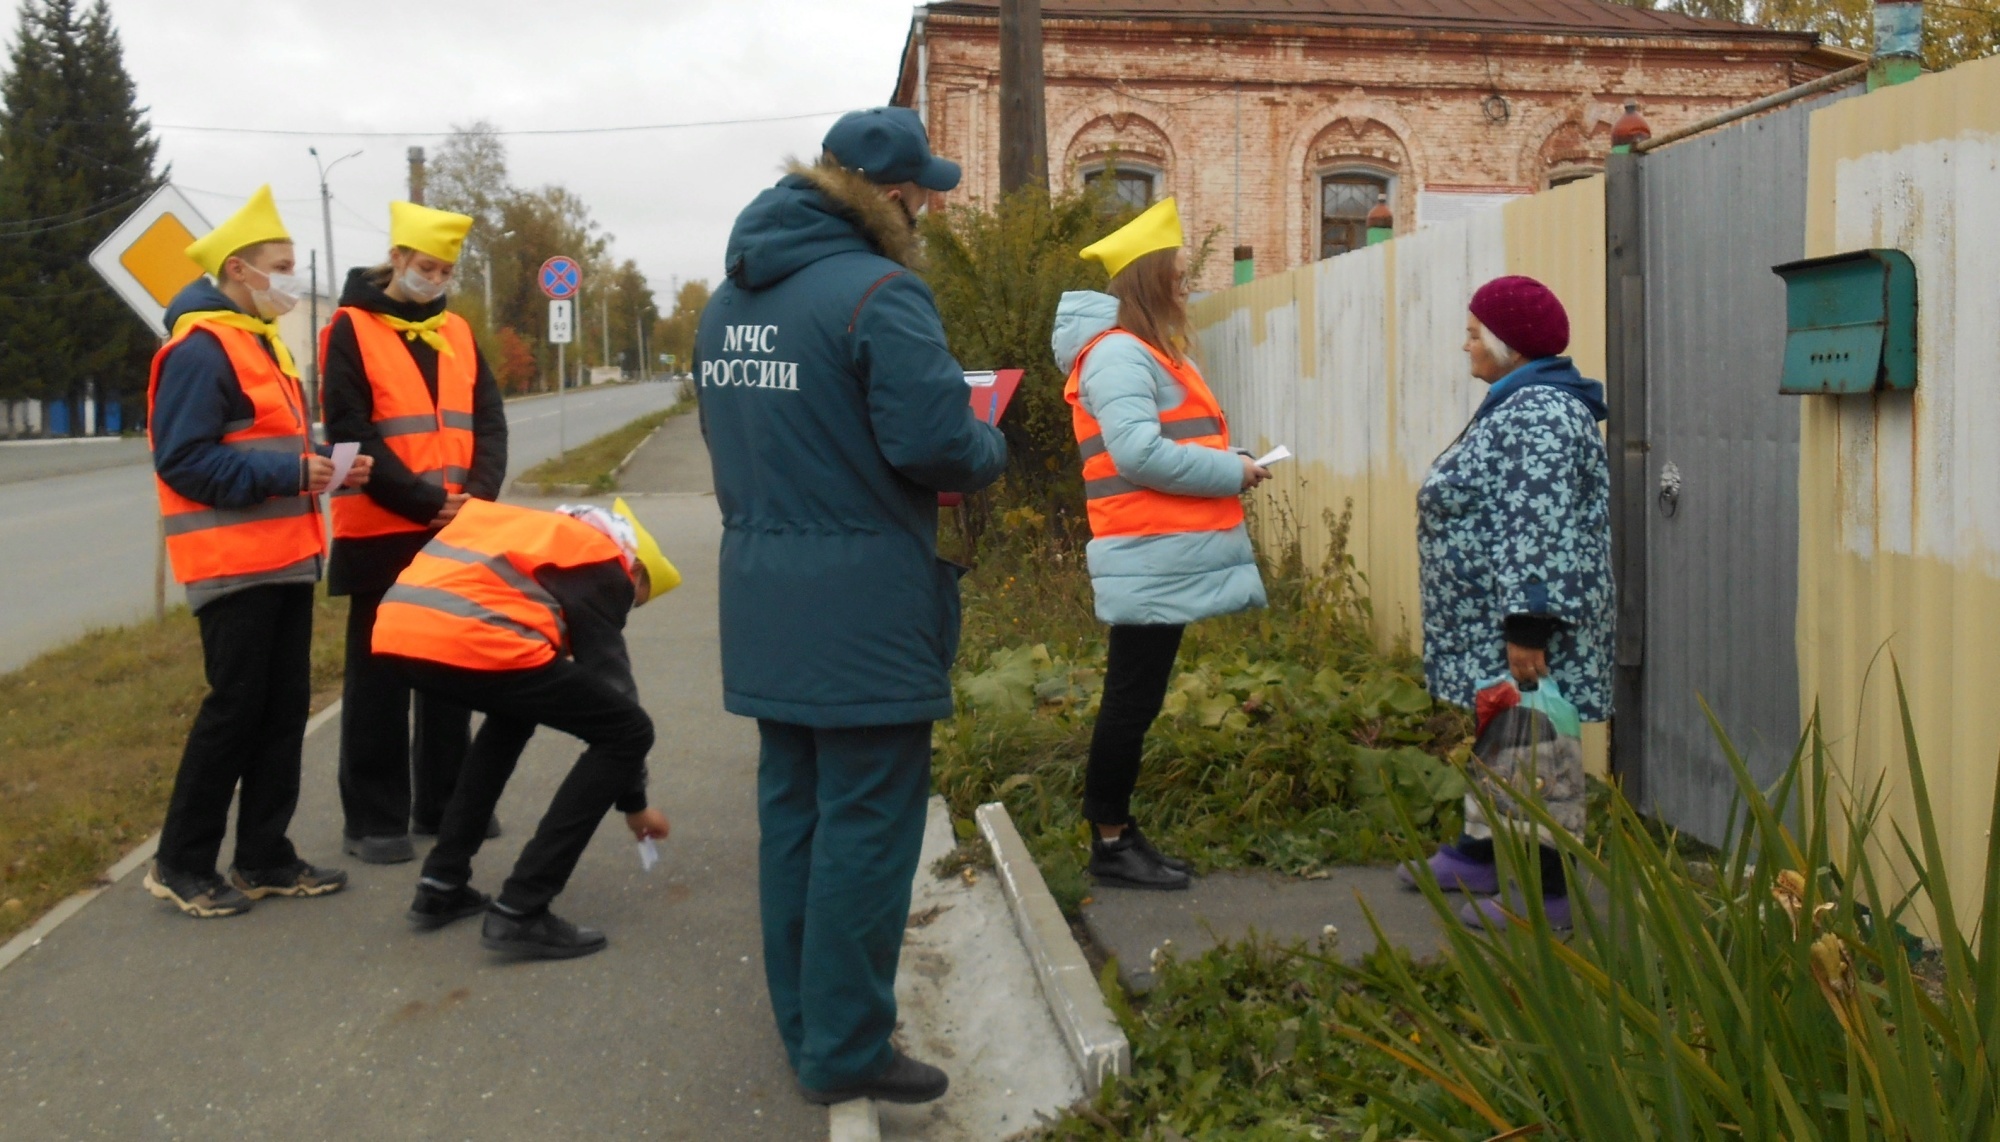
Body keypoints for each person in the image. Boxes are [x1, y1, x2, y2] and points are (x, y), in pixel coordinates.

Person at [696, 106, 1006, 1107]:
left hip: (762, 592)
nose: (927, 206)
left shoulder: (724, 303)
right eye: (921, 190)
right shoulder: (881, 292)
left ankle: (805, 1024)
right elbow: (936, 445)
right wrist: (988, 440)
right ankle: (846, 1046)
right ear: (887, 192)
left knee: (792, 814)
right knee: (869, 828)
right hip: (865, 603)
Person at [143, 186, 371, 918]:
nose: (291, 278)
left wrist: (330, 464)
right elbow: (182, 460)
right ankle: (180, 864)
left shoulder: (257, 343)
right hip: (230, 565)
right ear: (238, 269)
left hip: (286, 556)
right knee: (234, 712)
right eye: (280, 265)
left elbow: (268, 443)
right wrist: (287, 471)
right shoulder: (200, 350)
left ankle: (264, 857)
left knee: (282, 712)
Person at [1053, 196, 1270, 893]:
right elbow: (1139, 455)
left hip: (1160, 551)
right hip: (1148, 551)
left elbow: (1168, 443)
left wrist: (1229, 457)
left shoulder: (1139, 352)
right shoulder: (1118, 353)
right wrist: (1231, 470)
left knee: (1135, 699)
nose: (1183, 285)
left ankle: (1117, 832)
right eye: (1174, 274)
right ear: (1149, 281)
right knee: (1130, 701)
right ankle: (1110, 841)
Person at [370, 497, 679, 958]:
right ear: (634, 570)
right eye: (633, 601)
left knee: (512, 716)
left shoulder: (531, 531)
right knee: (628, 731)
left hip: (397, 630)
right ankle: (522, 909)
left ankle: (441, 883)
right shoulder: (601, 561)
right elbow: (614, 688)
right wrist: (635, 806)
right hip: (472, 637)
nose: (623, 611)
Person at [1406, 275, 1614, 930]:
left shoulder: (1541, 413)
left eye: (1473, 335)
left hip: (1532, 619)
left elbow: (1538, 521)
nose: (1465, 347)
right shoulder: (1520, 401)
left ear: (1509, 346)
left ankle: (1547, 897)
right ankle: (1483, 854)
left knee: (1539, 745)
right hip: (1507, 614)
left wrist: (1528, 622)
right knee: (1508, 733)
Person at [321, 201, 509, 866]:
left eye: (447, 270)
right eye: (427, 266)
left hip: (454, 529)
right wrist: (426, 501)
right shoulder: (349, 327)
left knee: (449, 674)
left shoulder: (456, 330)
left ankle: (445, 802)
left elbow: (489, 419)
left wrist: (476, 498)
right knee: (379, 681)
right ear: (397, 259)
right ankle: (373, 818)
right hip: (383, 528)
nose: (437, 278)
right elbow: (350, 430)